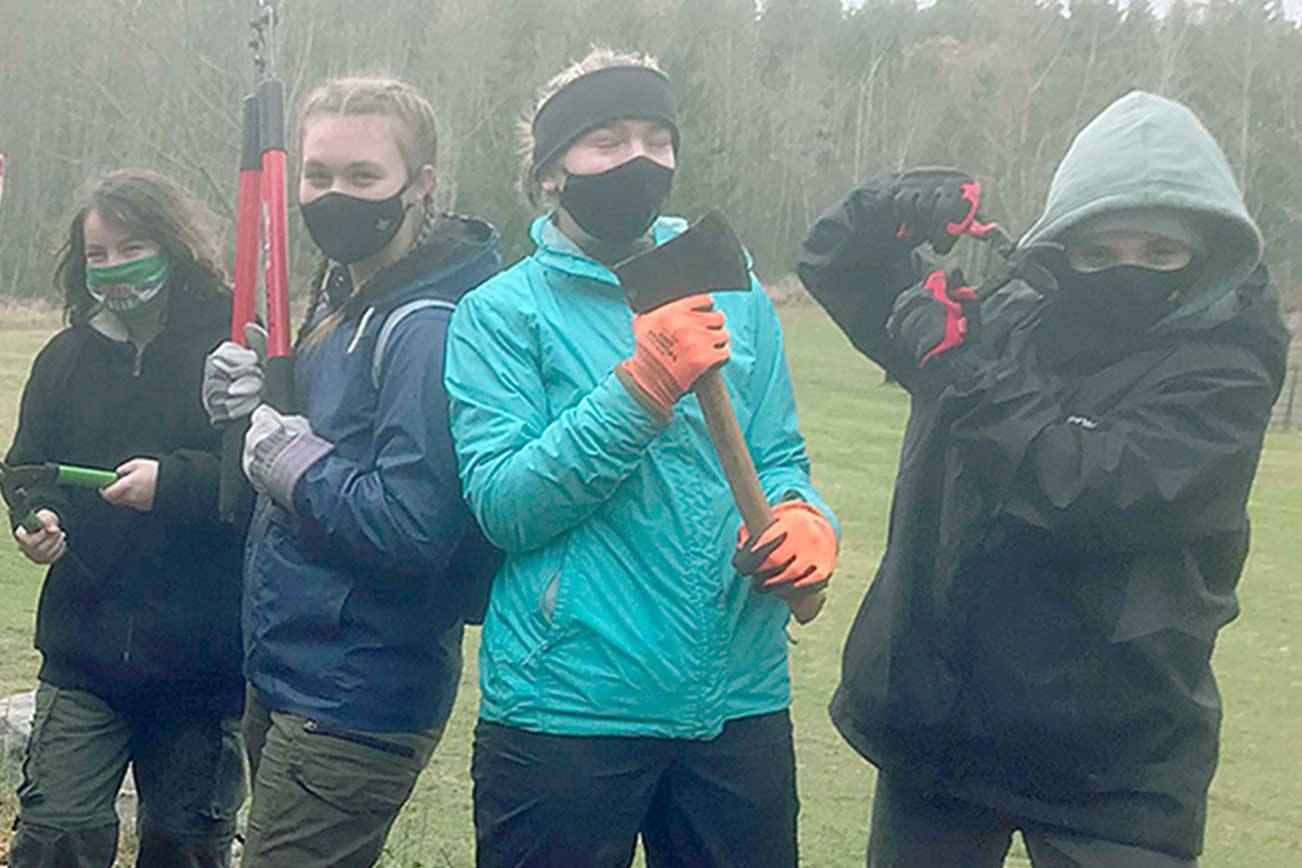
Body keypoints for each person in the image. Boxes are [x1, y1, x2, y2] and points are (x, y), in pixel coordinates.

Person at [798, 91, 1290, 867]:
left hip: (1114, 762)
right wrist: (890, 211)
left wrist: (957, 368)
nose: (1127, 272)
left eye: (1160, 253)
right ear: (1064, 247)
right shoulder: (1018, 318)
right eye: (1100, 252)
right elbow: (843, 273)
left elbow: (1087, 486)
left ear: (1207, 250)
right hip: (948, 731)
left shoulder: (1223, 368)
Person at [444, 47, 839, 868]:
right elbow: (507, 505)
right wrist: (642, 388)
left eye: (658, 138)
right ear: (550, 171)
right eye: (608, 141)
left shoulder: (733, 289)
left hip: (737, 700)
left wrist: (807, 518)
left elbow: (778, 456)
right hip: (566, 710)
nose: (640, 160)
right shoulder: (498, 314)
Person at [201, 75, 500, 868]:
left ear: (420, 185)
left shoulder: (424, 324)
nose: (336, 196)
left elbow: (412, 524)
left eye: (363, 177)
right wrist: (256, 403)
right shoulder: (344, 298)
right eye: (319, 175)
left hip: (358, 691)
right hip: (292, 666)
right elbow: (321, 438)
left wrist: (292, 463)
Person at [6, 169, 246, 868]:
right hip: (84, 656)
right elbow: (26, 469)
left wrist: (175, 483)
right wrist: (35, 518)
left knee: (187, 849)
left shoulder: (233, 353)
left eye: (131, 247)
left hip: (204, 667)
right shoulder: (65, 358)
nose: (113, 267)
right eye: (98, 255)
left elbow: (260, 474)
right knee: (55, 841)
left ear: (173, 246)